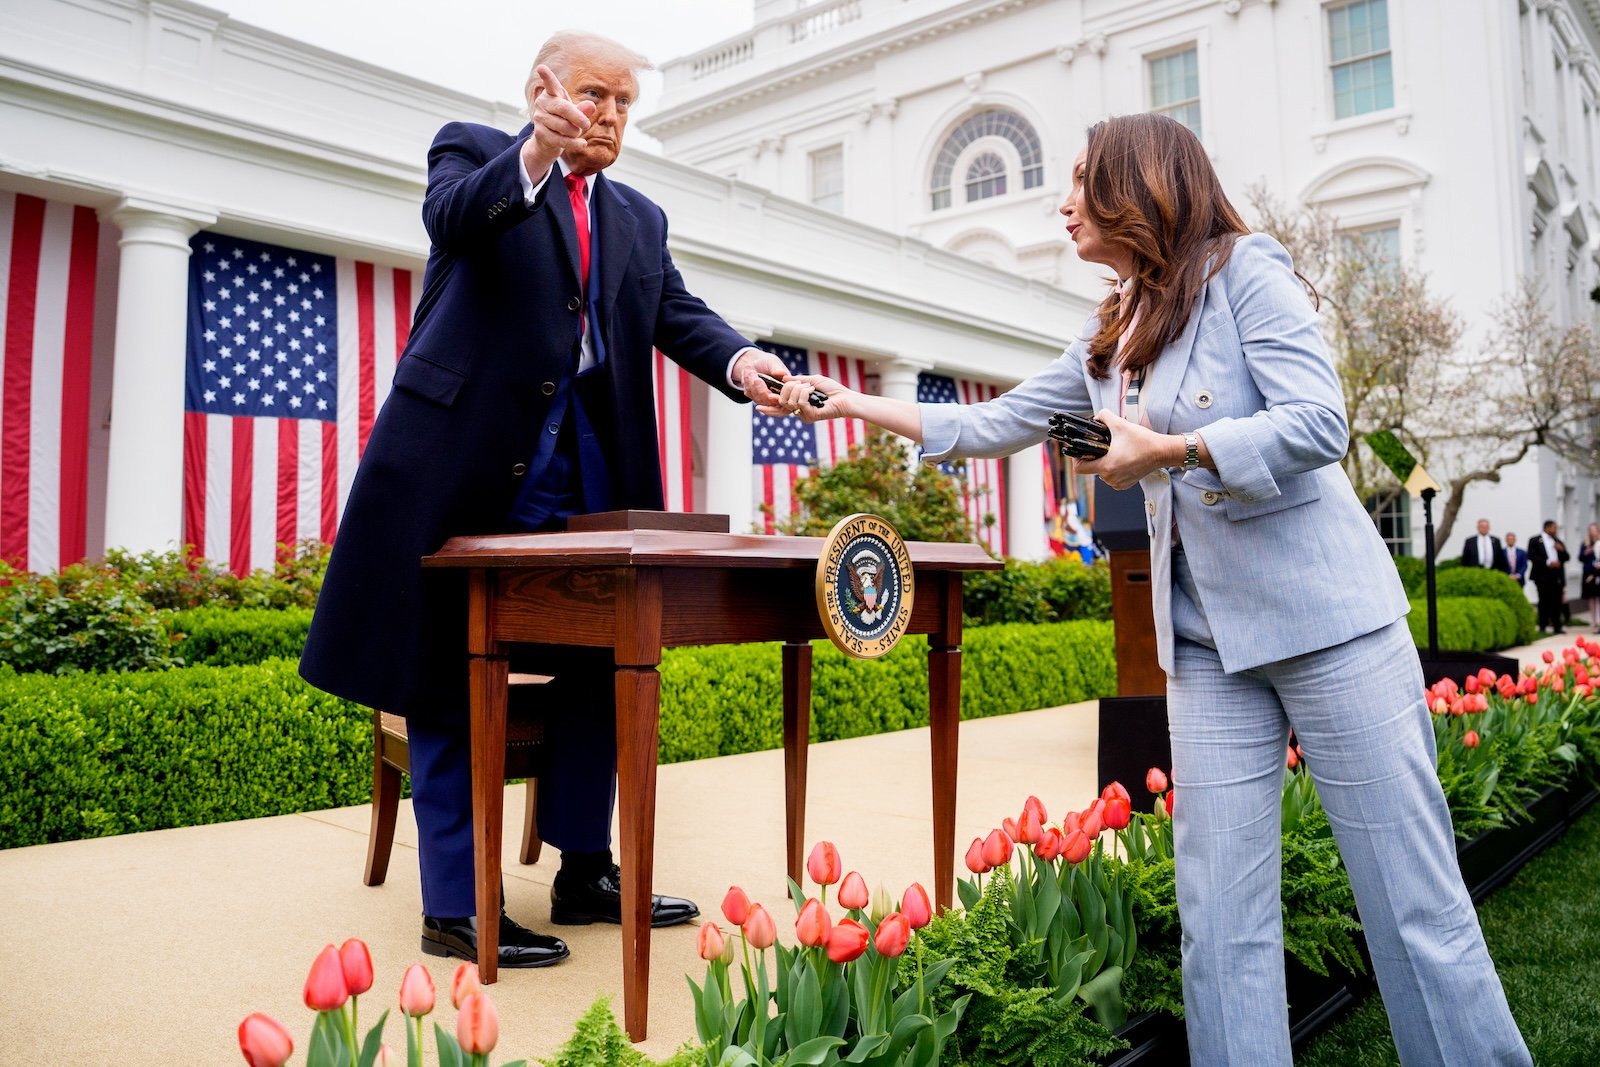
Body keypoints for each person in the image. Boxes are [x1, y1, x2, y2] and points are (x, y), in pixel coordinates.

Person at [769, 113, 1529, 1066]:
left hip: (1330, 625)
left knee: (1411, 898)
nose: (1063, 200)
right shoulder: (1113, 325)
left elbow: (1319, 422)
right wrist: (846, 401)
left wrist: (1169, 451)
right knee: (1220, 920)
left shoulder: (1246, 271)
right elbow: (996, 419)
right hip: (1207, 651)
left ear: (1137, 183)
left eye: (1081, 178)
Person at [299, 31, 796, 969]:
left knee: (603, 667)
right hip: (465, 475)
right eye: (595, 96)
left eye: (622, 105)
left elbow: (673, 313)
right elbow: (455, 221)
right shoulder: (475, 154)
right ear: (545, 88)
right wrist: (534, 149)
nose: (609, 116)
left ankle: (584, 869)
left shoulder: (639, 217)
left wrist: (740, 360)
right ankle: (456, 905)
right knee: (448, 676)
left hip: (597, 484)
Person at [1528, 519, 1570, 635]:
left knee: (1556, 602)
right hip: (1542, 576)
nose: (1555, 530)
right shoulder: (1535, 540)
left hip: (1556, 576)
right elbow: (1531, 556)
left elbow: (1566, 557)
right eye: (1554, 528)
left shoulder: (1557, 541)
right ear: (1546, 528)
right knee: (1543, 601)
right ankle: (1542, 625)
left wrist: (1561, 550)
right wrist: (1548, 562)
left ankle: (1557, 626)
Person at [1580, 523, 1600, 631]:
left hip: (1596, 573)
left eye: (1595, 530)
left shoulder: (1598, 544)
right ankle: (1594, 621)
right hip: (1589, 572)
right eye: (1591, 530)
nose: (1593, 532)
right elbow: (1580, 557)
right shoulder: (1585, 543)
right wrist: (1586, 552)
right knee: (1591, 597)